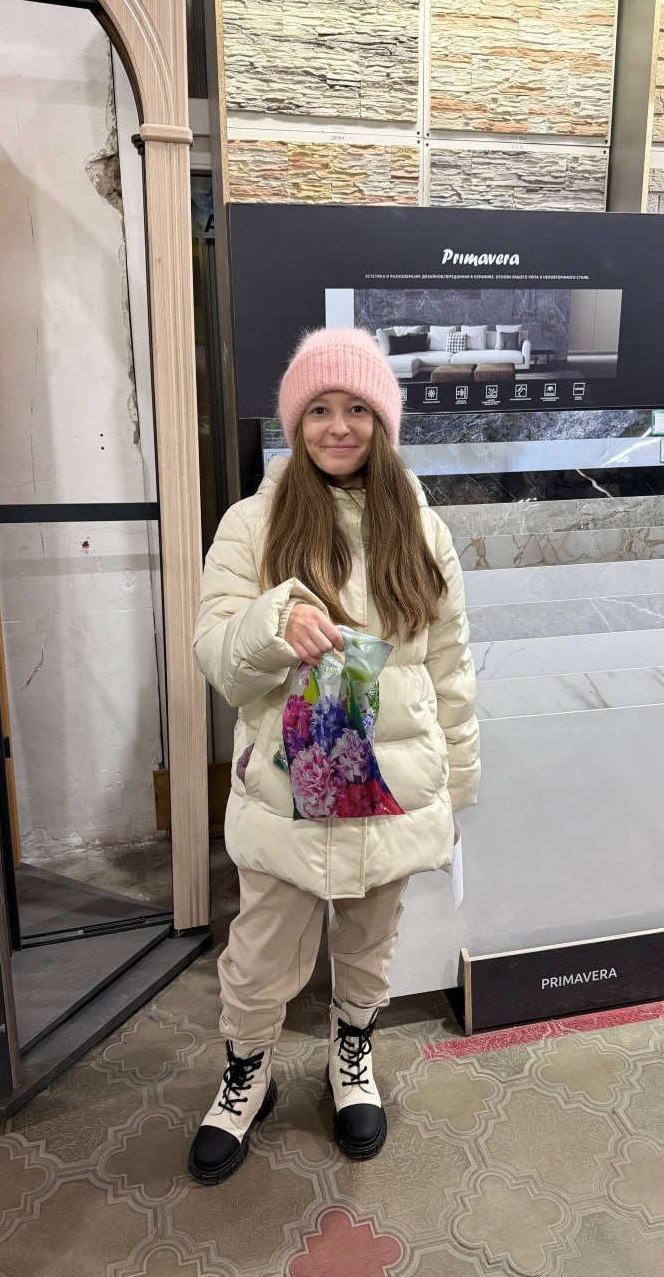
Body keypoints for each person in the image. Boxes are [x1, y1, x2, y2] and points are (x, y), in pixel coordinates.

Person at [189, 326, 480, 1185]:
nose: (339, 426)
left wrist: (458, 786)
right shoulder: (253, 524)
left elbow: (451, 666)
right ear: (295, 422)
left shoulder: (421, 529)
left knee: (370, 942)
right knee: (260, 953)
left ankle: (352, 1058)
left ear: (383, 422)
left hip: (395, 787)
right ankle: (246, 1076)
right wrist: (274, 623)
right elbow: (216, 656)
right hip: (287, 791)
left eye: (357, 408)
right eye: (319, 409)